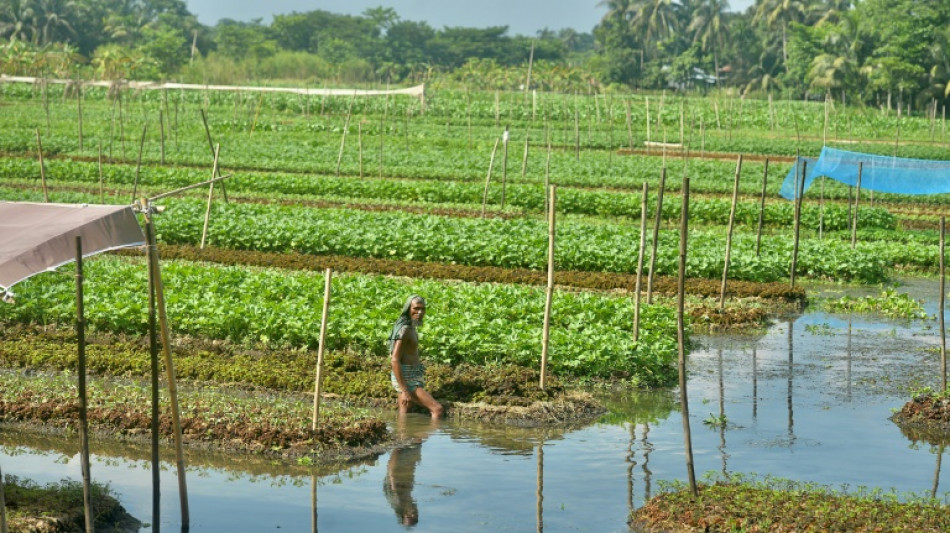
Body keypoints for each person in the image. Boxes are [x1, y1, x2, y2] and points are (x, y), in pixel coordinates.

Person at [389, 295, 443, 419]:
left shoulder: (411, 327)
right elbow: (394, 360)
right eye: (416, 308)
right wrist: (405, 390)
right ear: (408, 309)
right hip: (406, 377)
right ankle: (431, 438)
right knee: (437, 409)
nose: (420, 312)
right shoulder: (404, 330)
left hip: (411, 374)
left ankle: (403, 435)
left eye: (423, 309)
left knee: (405, 413)